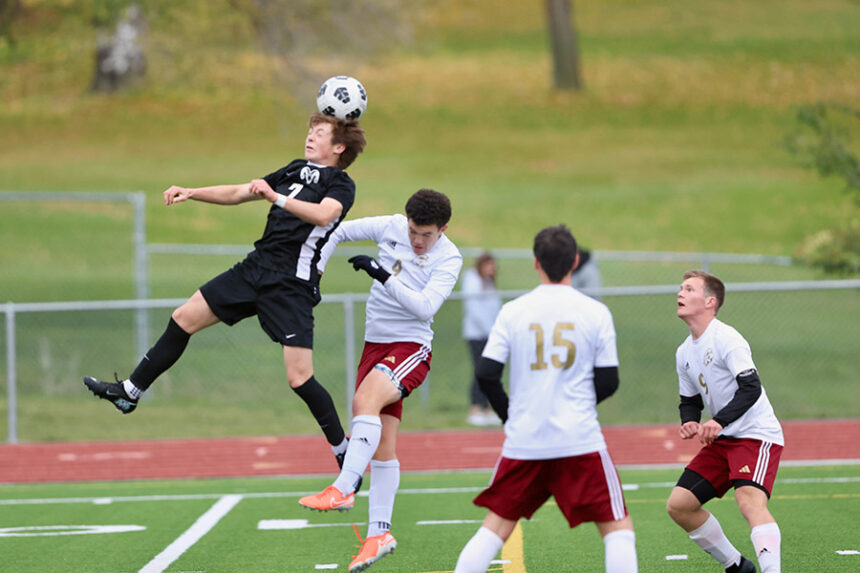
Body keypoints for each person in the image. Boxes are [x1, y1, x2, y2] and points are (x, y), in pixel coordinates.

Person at [83, 112, 367, 473]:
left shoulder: (342, 184)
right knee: (183, 317)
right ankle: (130, 391)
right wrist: (192, 192)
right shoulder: (295, 169)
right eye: (310, 130)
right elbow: (239, 192)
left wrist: (276, 198)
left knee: (299, 378)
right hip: (255, 268)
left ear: (338, 147)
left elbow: (325, 216)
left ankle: (343, 449)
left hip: (290, 284)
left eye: (320, 133)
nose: (310, 136)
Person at [454, 225, 637, 573]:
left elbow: (486, 373)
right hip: (578, 438)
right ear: (576, 261)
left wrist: (511, 415)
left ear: (536, 262)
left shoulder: (513, 311)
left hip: (525, 439)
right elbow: (610, 381)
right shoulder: (596, 312)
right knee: (617, 528)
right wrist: (578, 403)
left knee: (495, 528)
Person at [298, 189, 462, 573]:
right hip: (376, 345)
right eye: (413, 231)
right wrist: (315, 272)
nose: (417, 241)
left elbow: (425, 308)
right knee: (383, 448)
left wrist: (381, 274)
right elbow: (334, 229)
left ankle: (343, 487)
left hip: (410, 347)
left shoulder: (449, 257)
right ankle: (379, 534)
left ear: (443, 230)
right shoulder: (390, 227)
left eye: (426, 234)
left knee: (363, 404)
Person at [666, 270, 784, 573]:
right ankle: (737, 566)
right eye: (681, 288)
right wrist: (689, 421)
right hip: (724, 439)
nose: (680, 293)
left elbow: (751, 388)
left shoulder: (726, 338)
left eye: (689, 289)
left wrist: (717, 422)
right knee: (680, 505)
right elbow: (689, 401)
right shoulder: (684, 352)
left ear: (710, 301)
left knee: (749, 503)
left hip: (755, 435)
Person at [461, 252, 502, 426]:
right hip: (478, 334)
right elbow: (474, 309)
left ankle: (486, 408)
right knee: (480, 369)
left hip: (490, 333)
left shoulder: (489, 282)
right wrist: (488, 330)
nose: (491, 269)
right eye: (488, 265)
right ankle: (475, 407)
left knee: (489, 371)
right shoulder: (472, 280)